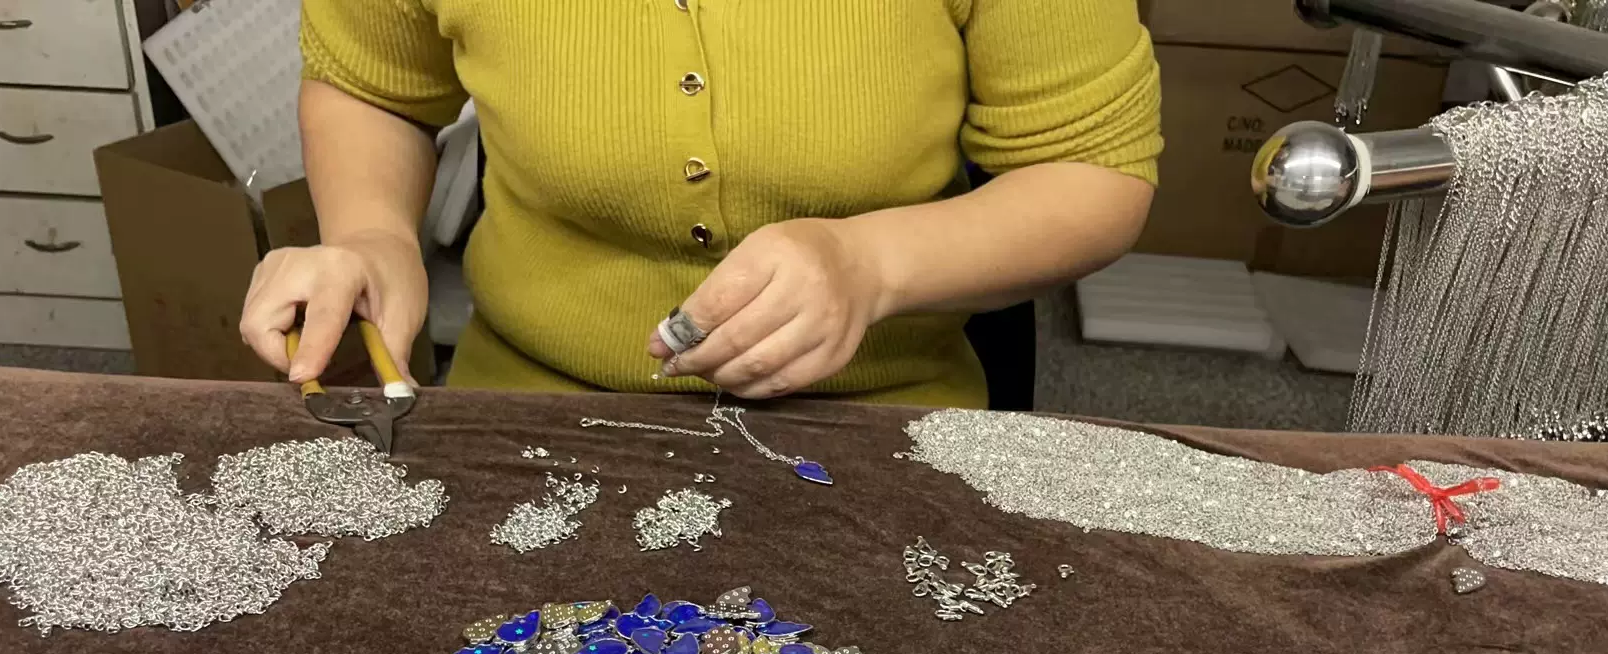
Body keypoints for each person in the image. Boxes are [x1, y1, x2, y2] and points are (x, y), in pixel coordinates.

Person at [239, 0, 1162, 407]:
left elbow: (1092, 168)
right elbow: (376, 87)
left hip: (876, 426)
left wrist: (873, 266)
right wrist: (374, 234)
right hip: (529, 409)